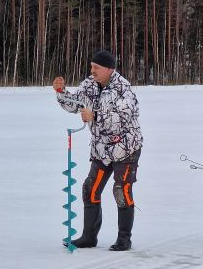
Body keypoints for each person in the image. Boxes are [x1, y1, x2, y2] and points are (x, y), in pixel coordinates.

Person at [53, 50, 143, 251]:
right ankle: (89, 237)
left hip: (126, 148)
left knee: (121, 191)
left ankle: (124, 239)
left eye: (96, 67)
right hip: (102, 149)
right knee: (90, 189)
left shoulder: (123, 89)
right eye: (91, 66)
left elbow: (123, 117)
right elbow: (76, 105)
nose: (92, 70)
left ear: (109, 69)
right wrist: (61, 93)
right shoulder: (88, 85)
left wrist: (94, 115)